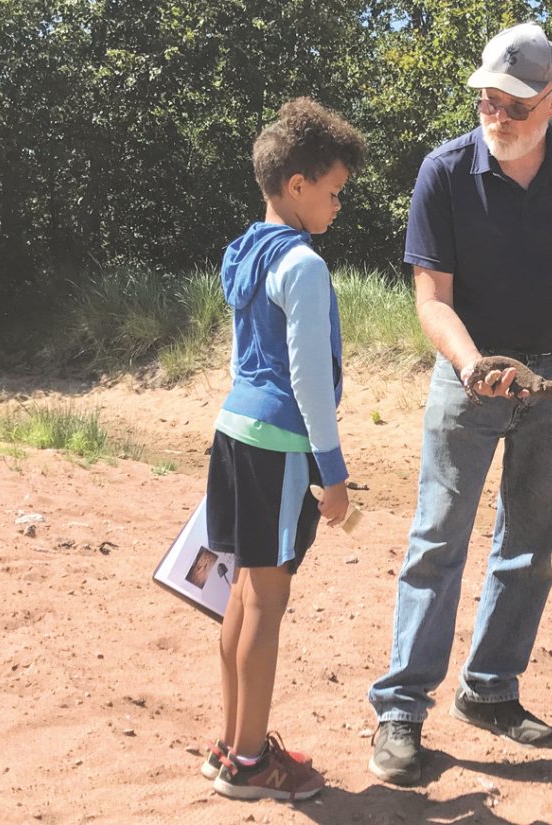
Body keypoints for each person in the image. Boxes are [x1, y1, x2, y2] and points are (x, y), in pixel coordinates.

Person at [367, 22, 552, 786]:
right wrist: (469, 364)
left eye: (516, 104)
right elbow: (431, 300)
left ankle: (489, 691)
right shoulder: (444, 173)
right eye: (487, 98)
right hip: (470, 376)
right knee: (437, 540)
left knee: (530, 546)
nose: (497, 114)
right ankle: (400, 709)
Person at [201, 97, 365, 801]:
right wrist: (333, 475)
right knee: (267, 601)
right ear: (296, 185)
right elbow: (308, 381)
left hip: (233, 433)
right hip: (277, 446)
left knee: (243, 591)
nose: (336, 206)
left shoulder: (245, 249)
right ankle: (246, 763)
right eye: (332, 192)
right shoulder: (302, 265)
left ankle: (234, 741)